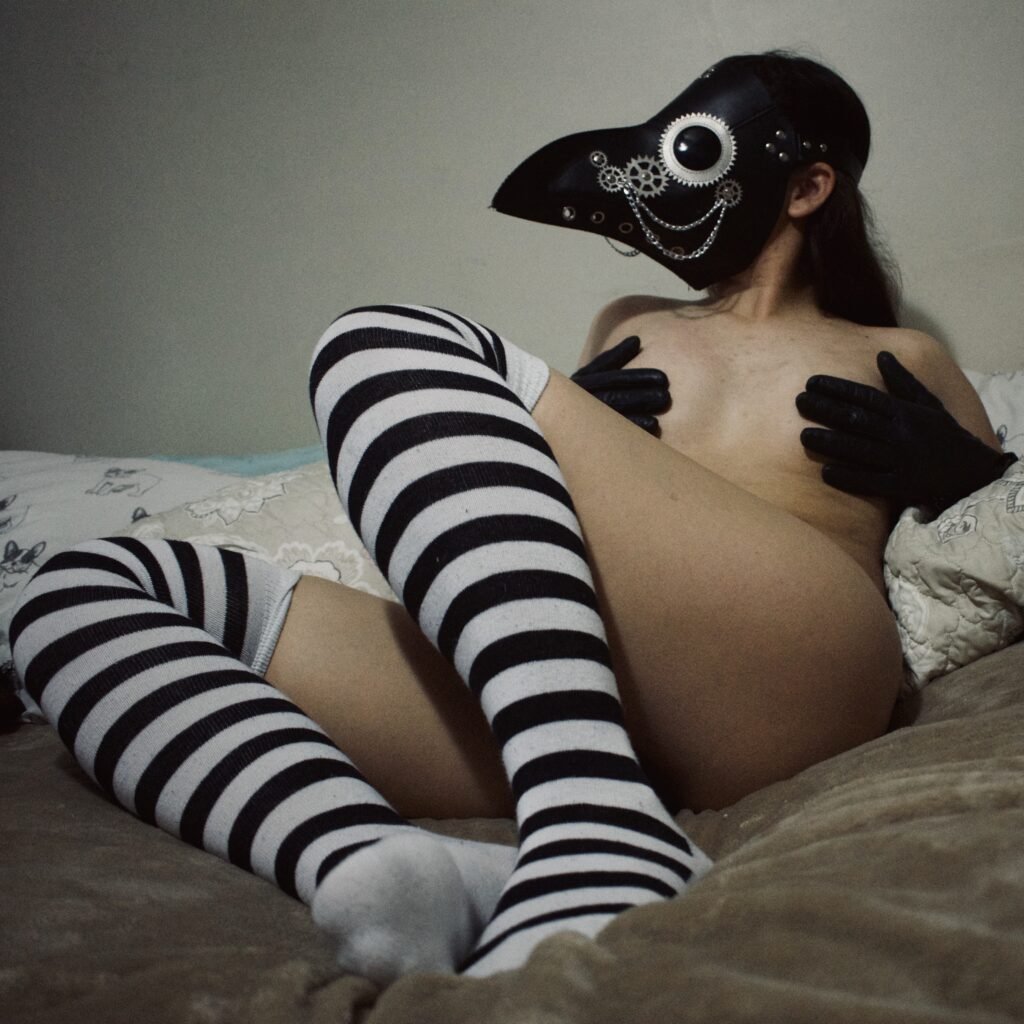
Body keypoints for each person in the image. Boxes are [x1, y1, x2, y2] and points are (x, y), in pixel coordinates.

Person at [9, 51, 1008, 985]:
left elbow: (997, 529)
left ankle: (596, 826)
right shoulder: (630, 323)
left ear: (806, 187)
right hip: (574, 691)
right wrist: (558, 429)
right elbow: (517, 513)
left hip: (789, 667)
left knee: (378, 344)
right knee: (76, 599)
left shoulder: (899, 353)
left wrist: (965, 466)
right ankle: (372, 857)